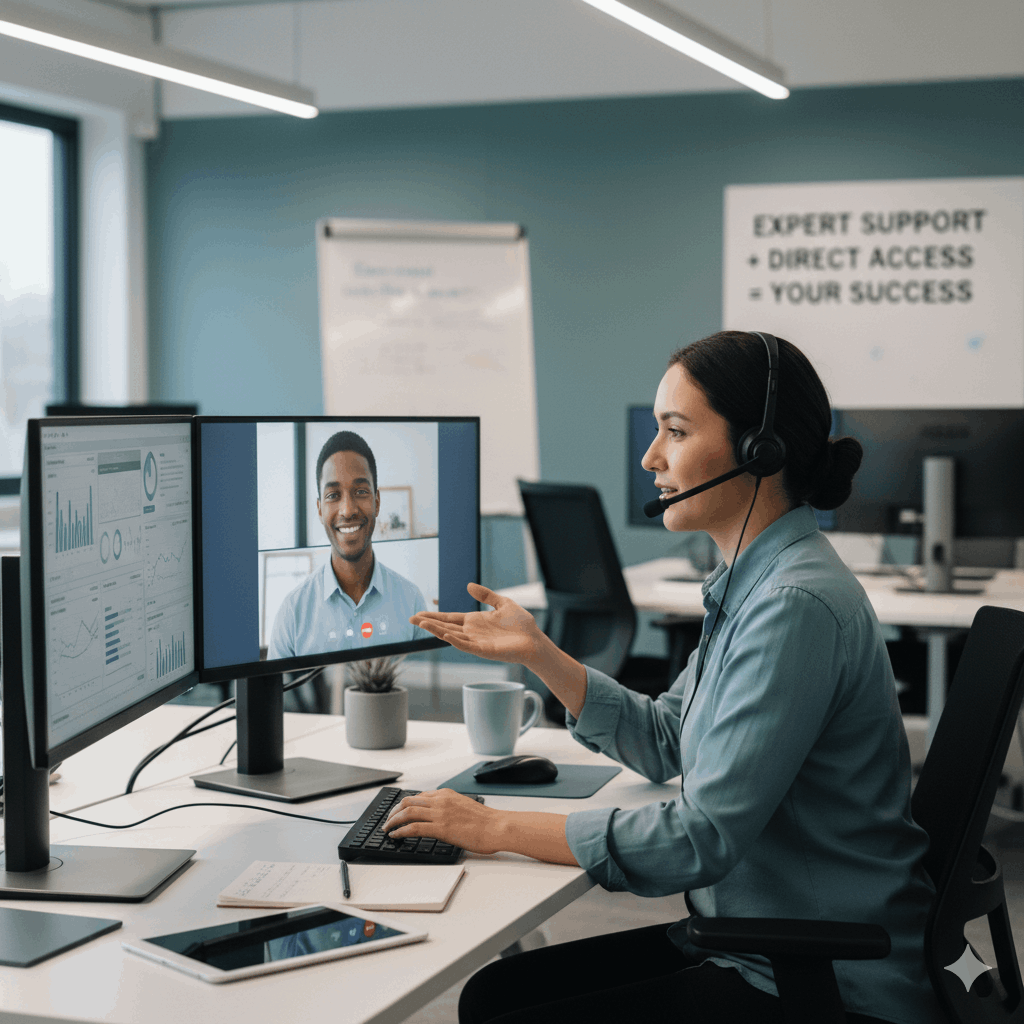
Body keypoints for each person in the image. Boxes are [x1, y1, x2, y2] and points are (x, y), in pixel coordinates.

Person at [389, 331, 944, 1024]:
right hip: (761, 942)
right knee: (494, 995)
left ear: (758, 451)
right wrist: (539, 654)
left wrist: (493, 826)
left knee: (502, 1010)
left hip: (818, 974)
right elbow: (668, 737)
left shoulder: (792, 605)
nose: (650, 458)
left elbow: (698, 837)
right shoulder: (757, 581)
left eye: (675, 432)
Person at [268, 430, 429, 658]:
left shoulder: (412, 601)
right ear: (319, 509)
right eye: (333, 495)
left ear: (377, 501)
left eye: (361, 491)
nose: (348, 510)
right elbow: (279, 693)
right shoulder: (292, 613)